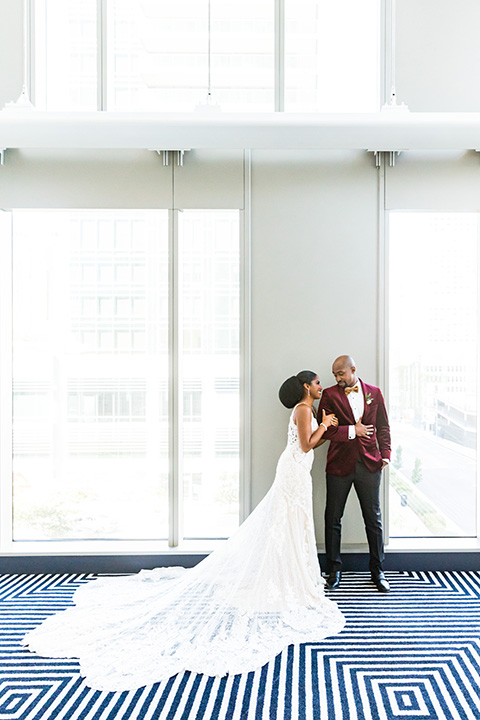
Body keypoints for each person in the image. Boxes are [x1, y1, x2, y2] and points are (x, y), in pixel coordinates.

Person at [21, 371, 345, 691]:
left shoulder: (307, 410)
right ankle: (288, 579)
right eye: (317, 383)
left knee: (290, 527)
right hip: (294, 472)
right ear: (307, 386)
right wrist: (326, 427)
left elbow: (308, 444)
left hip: (298, 473)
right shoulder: (303, 410)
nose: (320, 388)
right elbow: (305, 445)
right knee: (286, 525)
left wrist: (325, 426)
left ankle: (290, 576)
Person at [318, 356, 391, 593]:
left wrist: (386, 455)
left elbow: (383, 426)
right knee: (333, 518)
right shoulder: (329, 395)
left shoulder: (375, 393)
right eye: (334, 375)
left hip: (370, 464)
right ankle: (333, 570)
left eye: (340, 374)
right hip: (339, 465)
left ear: (353, 370)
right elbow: (325, 431)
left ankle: (377, 570)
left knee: (374, 519)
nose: (337, 379)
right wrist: (352, 430)